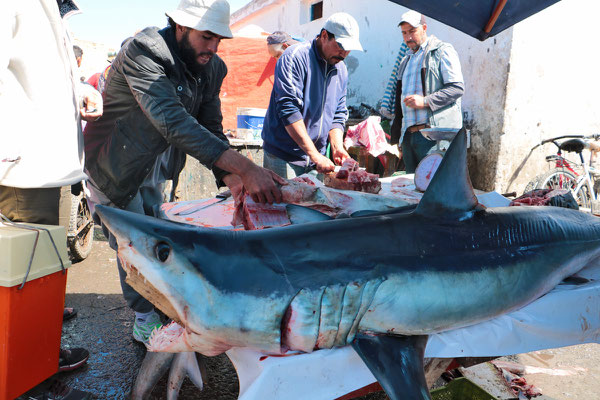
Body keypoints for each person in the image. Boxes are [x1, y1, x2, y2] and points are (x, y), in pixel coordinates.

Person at [83, 0, 285, 344]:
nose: (213, 47)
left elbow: (209, 126)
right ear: (180, 27)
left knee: (158, 241)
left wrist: (230, 177)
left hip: (153, 167)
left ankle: (159, 303)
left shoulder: (211, 68)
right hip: (112, 166)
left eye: (219, 39)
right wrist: (247, 167)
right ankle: (144, 318)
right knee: (133, 246)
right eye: (206, 37)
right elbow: (172, 121)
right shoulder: (143, 52)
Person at [1, 0, 103, 398]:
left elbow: (35, 73)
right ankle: (31, 359)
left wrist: (79, 90)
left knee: (33, 261)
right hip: (21, 163)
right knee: (27, 263)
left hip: (35, 162)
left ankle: (31, 345)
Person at [261, 12, 363, 178]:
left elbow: (338, 113)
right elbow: (289, 110)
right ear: (324, 36)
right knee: (285, 204)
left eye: (348, 49)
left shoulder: (341, 69)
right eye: (340, 46)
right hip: (284, 157)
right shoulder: (295, 57)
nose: (344, 53)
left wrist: (337, 147)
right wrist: (314, 155)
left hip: (317, 159)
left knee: (314, 204)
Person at [389, 10, 464, 174]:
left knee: (434, 189)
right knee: (409, 192)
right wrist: (400, 138)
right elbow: (399, 106)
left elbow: (457, 88)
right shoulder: (405, 60)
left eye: (412, 31)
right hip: (409, 137)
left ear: (424, 28)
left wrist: (424, 101)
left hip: (432, 136)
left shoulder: (442, 51)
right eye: (404, 33)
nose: (408, 37)